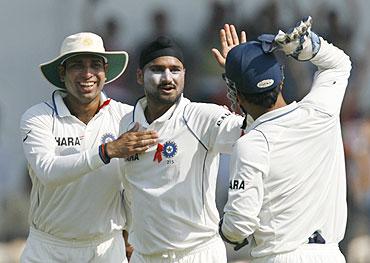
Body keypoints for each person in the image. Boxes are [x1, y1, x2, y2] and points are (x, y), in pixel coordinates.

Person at [219, 17, 351, 262]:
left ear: (238, 97)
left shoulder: (251, 145)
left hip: (280, 256)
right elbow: (339, 65)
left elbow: (238, 226)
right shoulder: (321, 111)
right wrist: (302, 46)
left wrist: (225, 231)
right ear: (281, 81)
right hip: (330, 254)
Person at [19, 32, 158, 262]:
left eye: (95, 65)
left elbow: (138, 182)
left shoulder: (126, 116)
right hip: (48, 248)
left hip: (106, 247)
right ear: (62, 72)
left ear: (105, 71)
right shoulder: (38, 117)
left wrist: (132, 232)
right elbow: (48, 172)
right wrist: (107, 151)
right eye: (77, 65)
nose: (87, 74)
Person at [119, 26, 248, 263]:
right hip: (144, 257)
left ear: (184, 75)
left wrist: (242, 76)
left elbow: (255, 133)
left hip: (197, 254)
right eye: (157, 70)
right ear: (139, 76)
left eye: (175, 70)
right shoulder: (124, 124)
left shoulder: (203, 117)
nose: (167, 78)